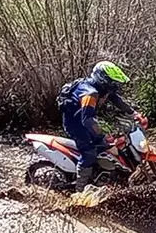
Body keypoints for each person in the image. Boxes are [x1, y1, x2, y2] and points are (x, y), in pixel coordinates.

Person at [56, 61, 149, 191]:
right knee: (89, 152)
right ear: (104, 80)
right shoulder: (90, 93)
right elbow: (87, 120)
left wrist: (133, 114)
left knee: (111, 147)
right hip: (75, 125)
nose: (115, 85)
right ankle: (80, 189)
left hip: (86, 120)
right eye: (113, 82)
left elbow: (117, 100)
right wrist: (102, 135)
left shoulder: (102, 89)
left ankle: (103, 174)